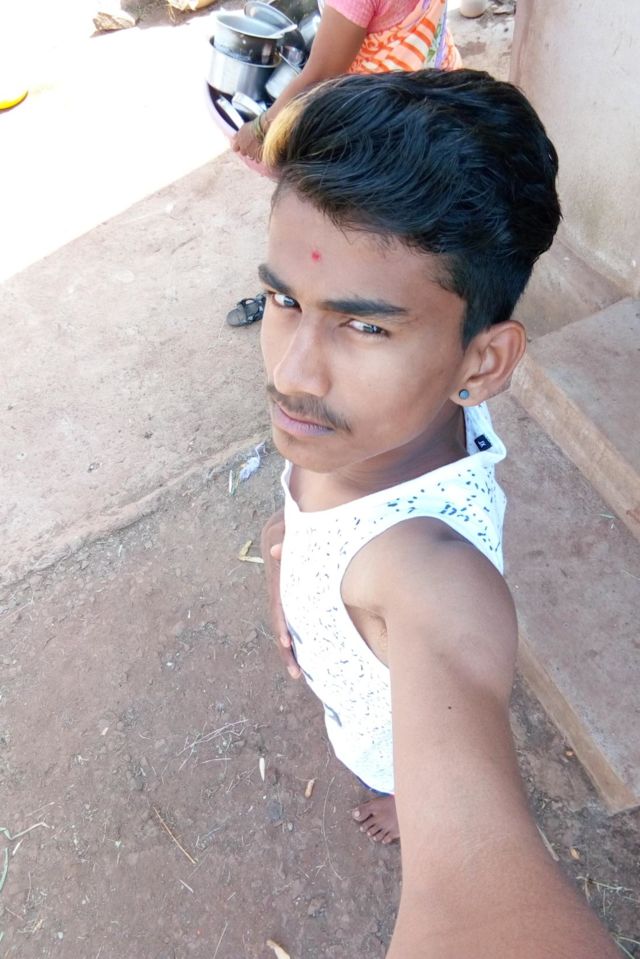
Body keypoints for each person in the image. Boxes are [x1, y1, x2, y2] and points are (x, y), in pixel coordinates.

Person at [257, 70, 619, 957]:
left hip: (389, 730)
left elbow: (483, 902)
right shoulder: (368, 426)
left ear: (482, 364)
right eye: (284, 300)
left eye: (365, 327)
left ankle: (399, 798)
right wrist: (285, 547)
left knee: (398, 774)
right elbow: (309, 503)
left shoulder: (429, 573)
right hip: (347, 683)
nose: (293, 372)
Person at [226, 0, 461, 326]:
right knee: (402, 225)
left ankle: (310, 301)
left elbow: (322, 74)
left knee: (337, 220)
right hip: (434, 94)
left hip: (380, 127)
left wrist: (262, 128)